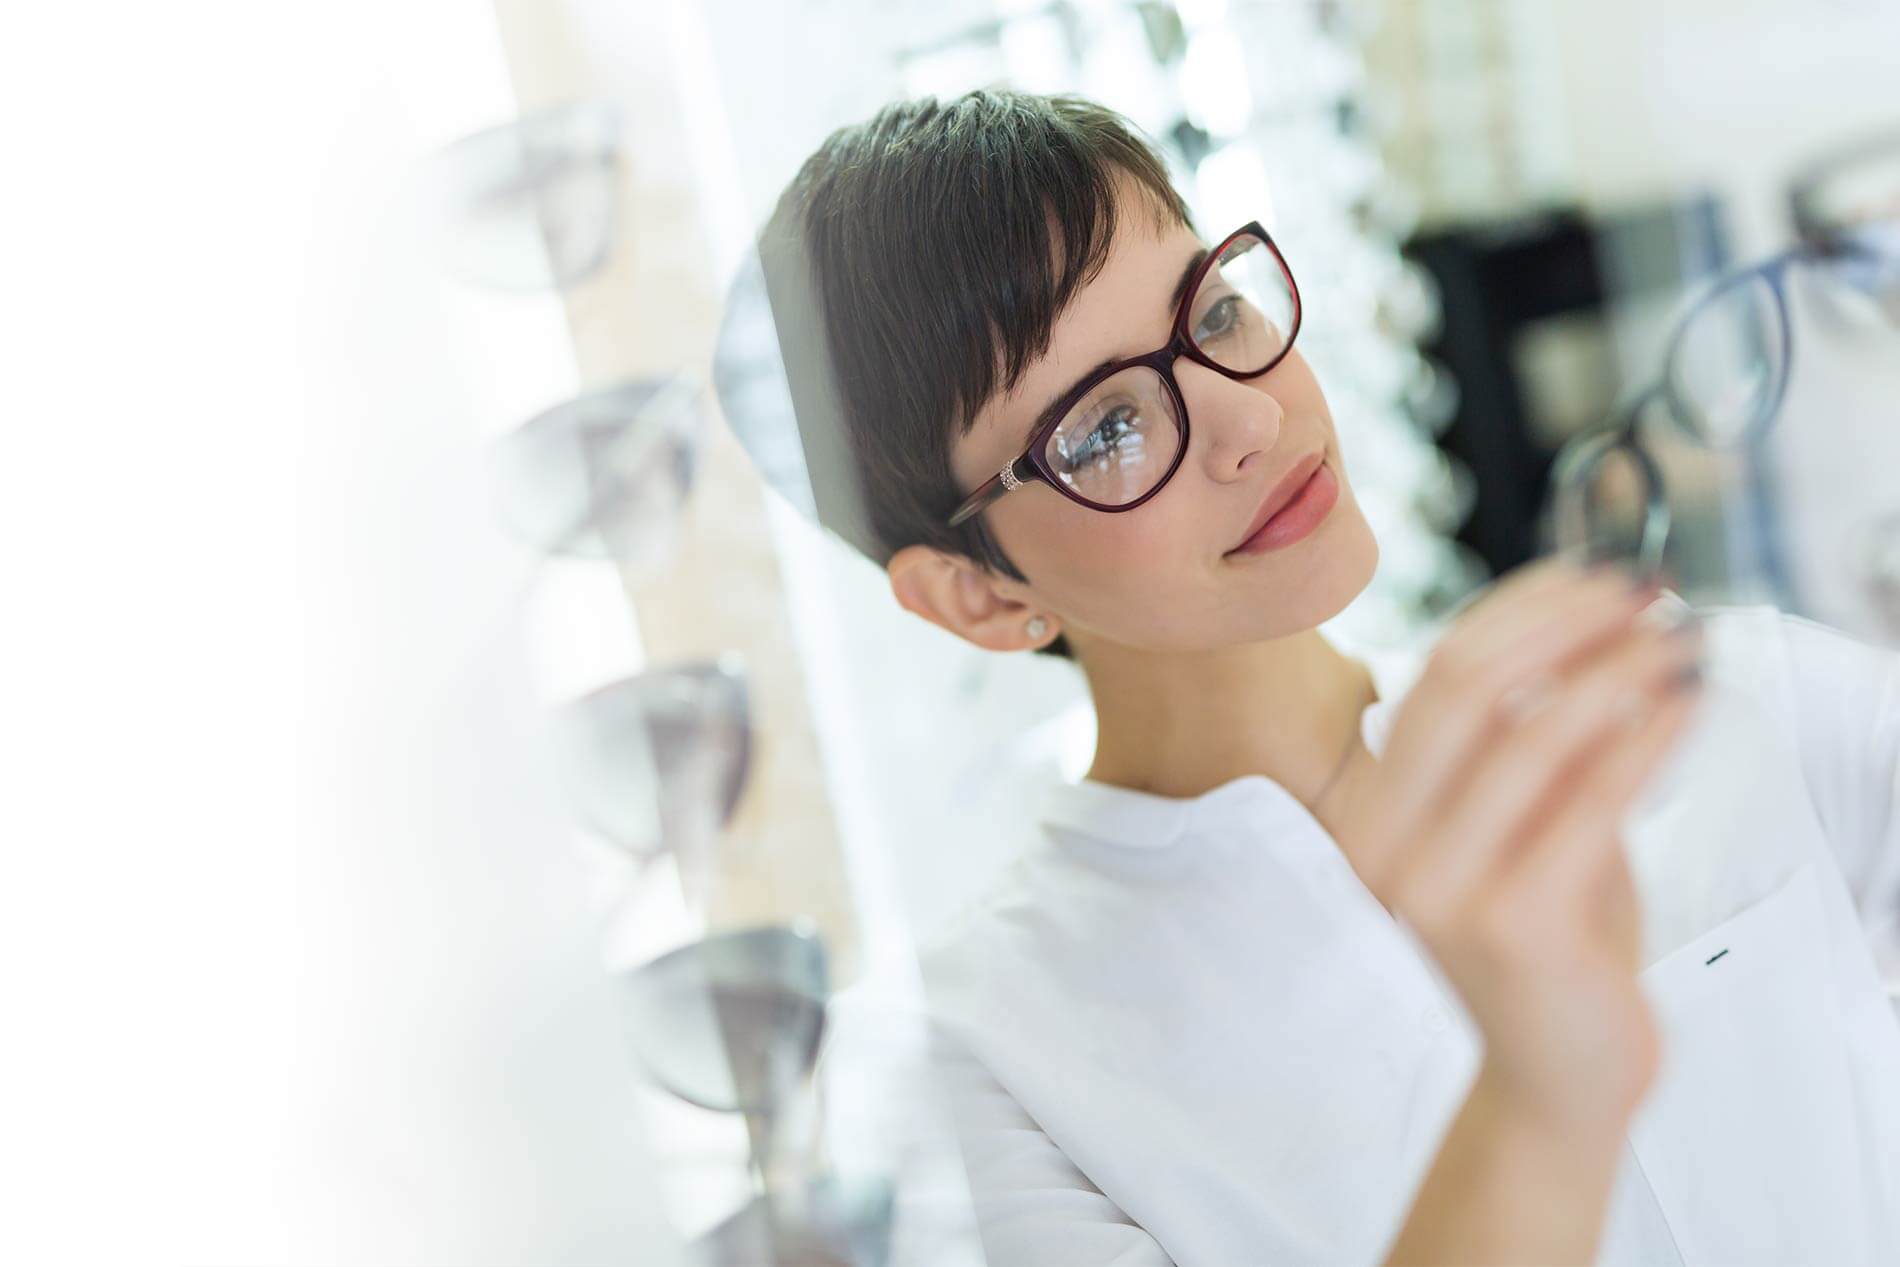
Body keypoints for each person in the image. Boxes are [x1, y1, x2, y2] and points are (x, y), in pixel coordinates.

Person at [720, 89, 1900, 1265]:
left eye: (1215, 312)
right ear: (978, 592)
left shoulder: (1705, 698)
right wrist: (1542, 1099)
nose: (1248, 418)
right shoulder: (969, 1072)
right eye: (1105, 429)